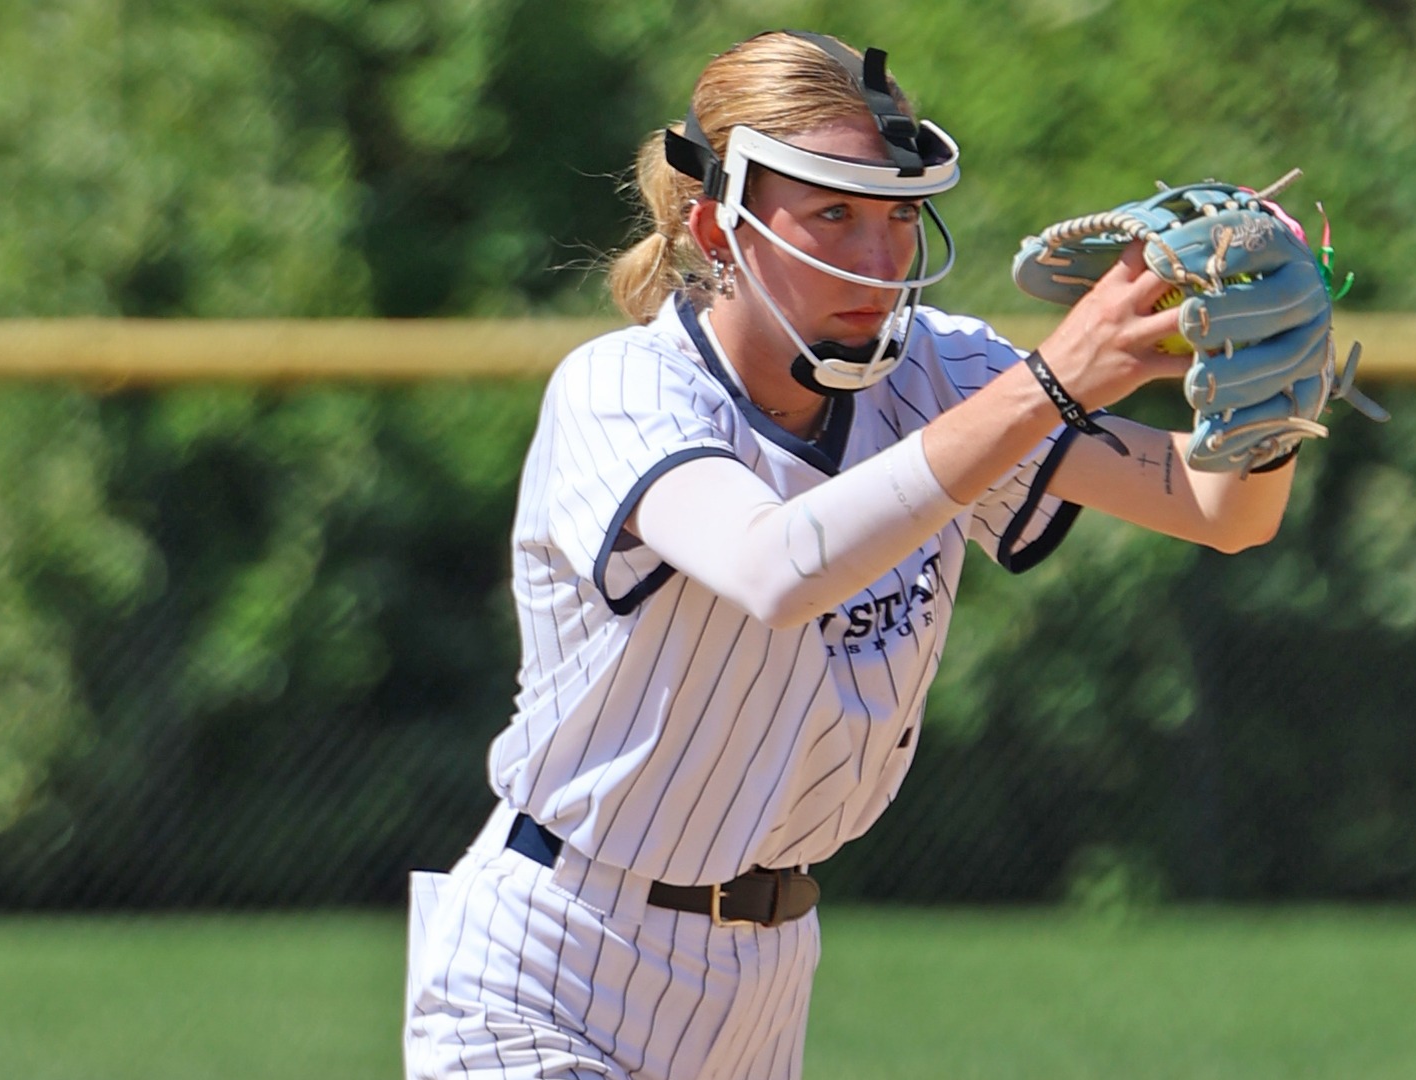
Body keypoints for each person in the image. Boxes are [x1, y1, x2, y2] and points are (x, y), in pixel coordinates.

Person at [404, 29, 1303, 1080]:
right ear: (716, 225)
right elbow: (777, 567)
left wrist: (1270, 394)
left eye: (897, 215)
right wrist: (1049, 383)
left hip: (762, 987)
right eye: (832, 213)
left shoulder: (940, 373)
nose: (878, 261)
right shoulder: (623, 389)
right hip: (548, 968)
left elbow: (1219, 510)